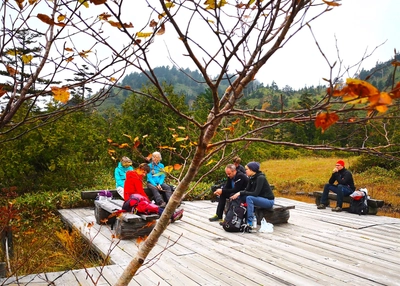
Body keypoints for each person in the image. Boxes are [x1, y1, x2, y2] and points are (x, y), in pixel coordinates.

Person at [230, 161, 275, 229]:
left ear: (252, 170)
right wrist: (238, 194)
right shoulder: (251, 178)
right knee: (241, 196)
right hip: (258, 198)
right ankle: (236, 218)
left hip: (268, 201)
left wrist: (240, 192)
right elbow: (246, 190)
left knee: (249, 198)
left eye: (247, 169)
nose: (245, 171)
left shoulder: (260, 178)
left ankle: (250, 222)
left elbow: (255, 193)